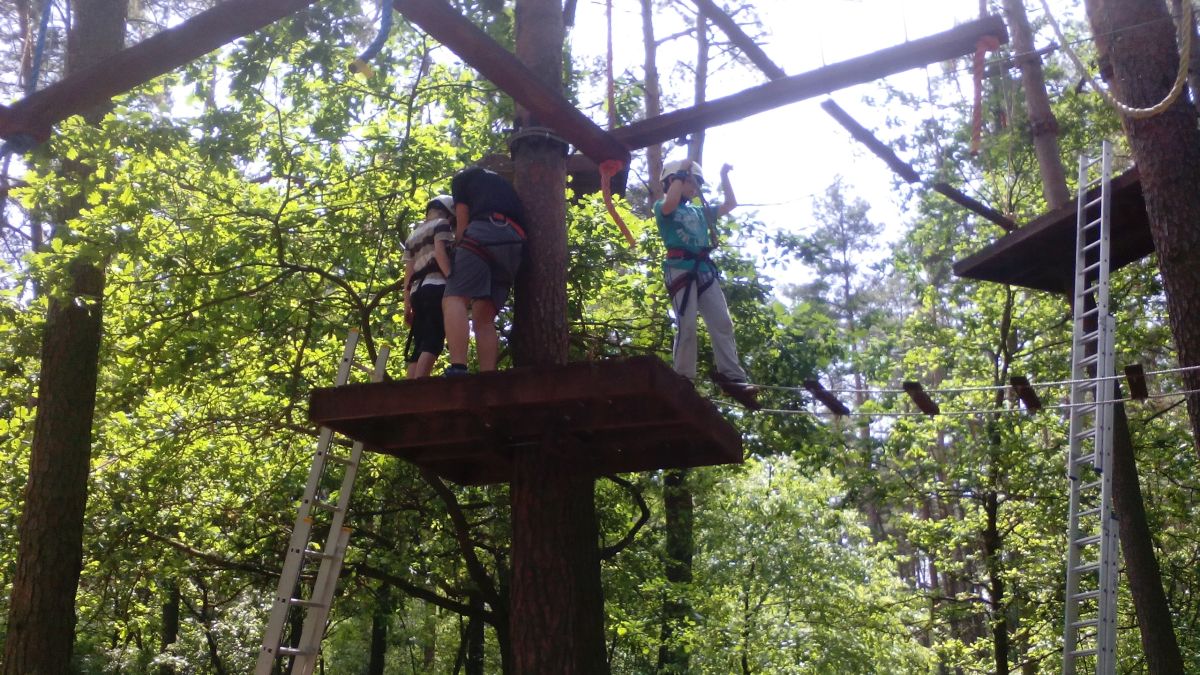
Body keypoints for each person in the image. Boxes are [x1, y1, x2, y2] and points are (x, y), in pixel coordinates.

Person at [655, 158, 760, 410]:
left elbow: (730, 204)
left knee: (722, 323)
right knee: (687, 326)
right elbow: (670, 204)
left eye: (697, 184)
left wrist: (724, 176)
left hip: (703, 269)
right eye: (691, 182)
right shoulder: (663, 207)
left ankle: (732, 378)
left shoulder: (699, 212)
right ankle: (683, 378)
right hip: (680, 269)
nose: (694, 188)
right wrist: (681, 172)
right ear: (673, 181)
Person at [441, 165, 527, 375]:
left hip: (483, 233)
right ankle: (488, 374)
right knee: (483, 316)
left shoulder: (462, 179)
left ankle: (458, 367)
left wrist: (458, 249)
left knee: (454, 297)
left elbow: (462, 221)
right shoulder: (503, 185)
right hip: (515, 244)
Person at [402, 195, 455, 378]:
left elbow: (408, 273)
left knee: (419, 343)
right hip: (436, 286)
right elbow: (440, 254)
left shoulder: (412, 235)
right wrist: (452, 280)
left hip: (416, 292)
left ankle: (410, 386)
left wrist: (407, 305)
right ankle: (420, 385)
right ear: (449, 214)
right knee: (433, 341)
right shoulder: (441, 224)